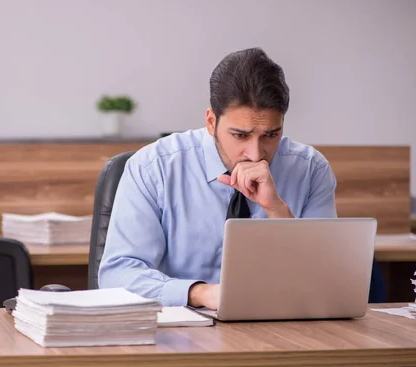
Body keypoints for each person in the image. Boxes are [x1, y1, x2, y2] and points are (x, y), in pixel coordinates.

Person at [98, 47, 337, 310]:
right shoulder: (153, 167)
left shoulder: (311, 169)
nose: (256, 154)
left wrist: (277, 210)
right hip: (182, 333)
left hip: (282, 327)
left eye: (270, 135)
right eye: (240, 135)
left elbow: (329, 279)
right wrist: (201, 294)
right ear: (211, 122)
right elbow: (117, 276)